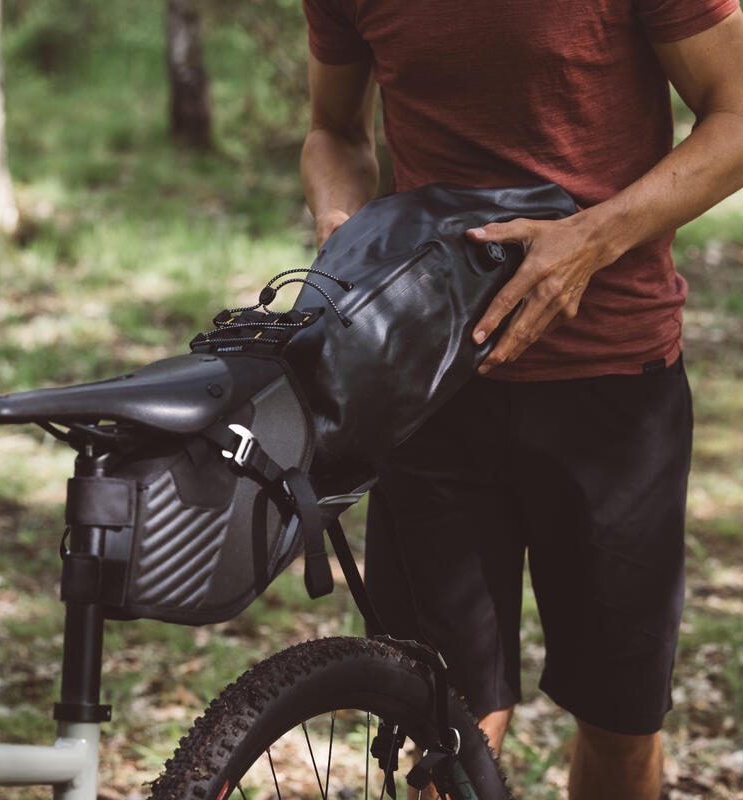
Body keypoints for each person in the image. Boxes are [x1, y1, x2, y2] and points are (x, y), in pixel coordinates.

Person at [298, 2, 743, 798]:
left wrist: (592, 239)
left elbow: (736, 113)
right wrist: (345, 230)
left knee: (620, 720)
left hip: (612, 386)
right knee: (447, 722)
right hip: (428, 388)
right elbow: (335, 129)